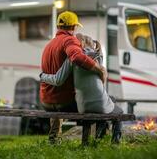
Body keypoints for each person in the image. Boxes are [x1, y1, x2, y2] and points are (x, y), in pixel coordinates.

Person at [40, 34, 123, 143]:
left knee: (94, 105)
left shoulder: (71, 58)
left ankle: (81, 140)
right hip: (95, 102)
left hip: (82, 104)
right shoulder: (99, 57)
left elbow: (58, 79)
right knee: (118, 110)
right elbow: (102, 80)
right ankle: (110, 141)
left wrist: (43, 76)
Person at [40, 11, 107, 144]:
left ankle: (53, 139)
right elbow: (76, 56)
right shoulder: (70, 40)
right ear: (73, 27)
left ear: (59, 26)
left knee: (59, 95)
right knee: (95, 104)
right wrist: (99, 69)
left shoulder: (49, 45)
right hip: (64, 103)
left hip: (46, 103)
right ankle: (91, 141)